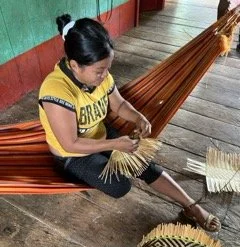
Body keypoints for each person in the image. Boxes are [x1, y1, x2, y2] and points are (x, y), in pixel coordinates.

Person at [38, 14, 221, 232]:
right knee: (120, 185)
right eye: (99, 71)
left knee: (144, 165)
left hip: (101, 136)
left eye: (107, 68)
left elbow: (119, 105)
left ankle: (191, 207)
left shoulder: (100, 77)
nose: (105, 75)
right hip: (72, 155)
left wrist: (137, 116)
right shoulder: (57, 90)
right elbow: (70, 144)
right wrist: (115, 146)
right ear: (75, 65)